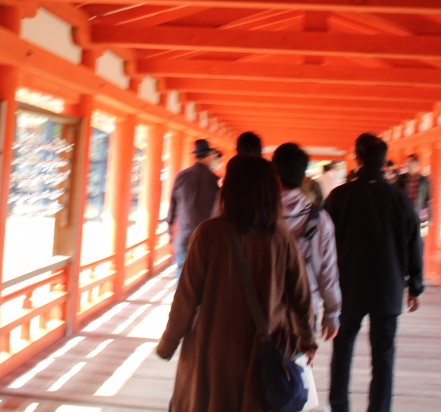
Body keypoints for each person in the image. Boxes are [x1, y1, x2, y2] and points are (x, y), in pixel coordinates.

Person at [158, 155, 317, 412]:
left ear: (230, 190)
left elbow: (186, 299)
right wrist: (307, 341)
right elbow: (301, 299)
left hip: (212, 350)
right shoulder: (282, 239)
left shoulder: (208, 234)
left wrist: (168, 344)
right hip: (264, 350)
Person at [325, 133, 425, 412]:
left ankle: (339, 406)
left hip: (348, 287)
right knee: (383, 356)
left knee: (342, 350)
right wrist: (415, 286)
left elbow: (324, 244)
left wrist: (322, 285)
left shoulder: (340, 197)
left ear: (357, 158)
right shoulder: (399, 200)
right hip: (388, 288)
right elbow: (414, 244)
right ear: (383, 162)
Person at [271, 143, 341, 340]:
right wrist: (332, 314)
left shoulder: (259, 217)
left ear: (274, 175)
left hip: (264, 306)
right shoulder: (321, 220)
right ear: (303, 178)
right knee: (299, 358)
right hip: (305, 306)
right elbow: (328, 271)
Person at [167, 138, 222, 271]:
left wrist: (170, 229)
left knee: (182, 274)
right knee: (203, 276)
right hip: (206, 238)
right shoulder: (215, 180)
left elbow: (173, 205)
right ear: (208, 157)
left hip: (184, 236)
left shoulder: (181, 176)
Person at [393, 153, 431, 224]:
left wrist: (423, 217)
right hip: (403, 213)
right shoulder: (401, 179)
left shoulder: (424, 181)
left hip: (416, 213)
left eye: (410, 162)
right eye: (406, 163)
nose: (408, 165)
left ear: (416, 164)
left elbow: (426, 200)